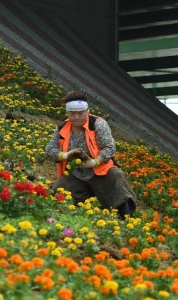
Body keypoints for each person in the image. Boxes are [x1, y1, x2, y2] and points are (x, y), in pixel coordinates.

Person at [45, 90, 136, 219]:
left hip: (100, 171)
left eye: (80, 113)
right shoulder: (63, 128)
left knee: (117, 176)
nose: (76, 117)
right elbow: (49, 149)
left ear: (87, 111)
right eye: (72, 113)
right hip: (76, 173)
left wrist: (95, 161)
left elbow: (109, 147)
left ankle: (126, 216)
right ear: (67, 113)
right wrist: (66, 155)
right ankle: (77, 210)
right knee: (58, 190)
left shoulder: (98, 124)